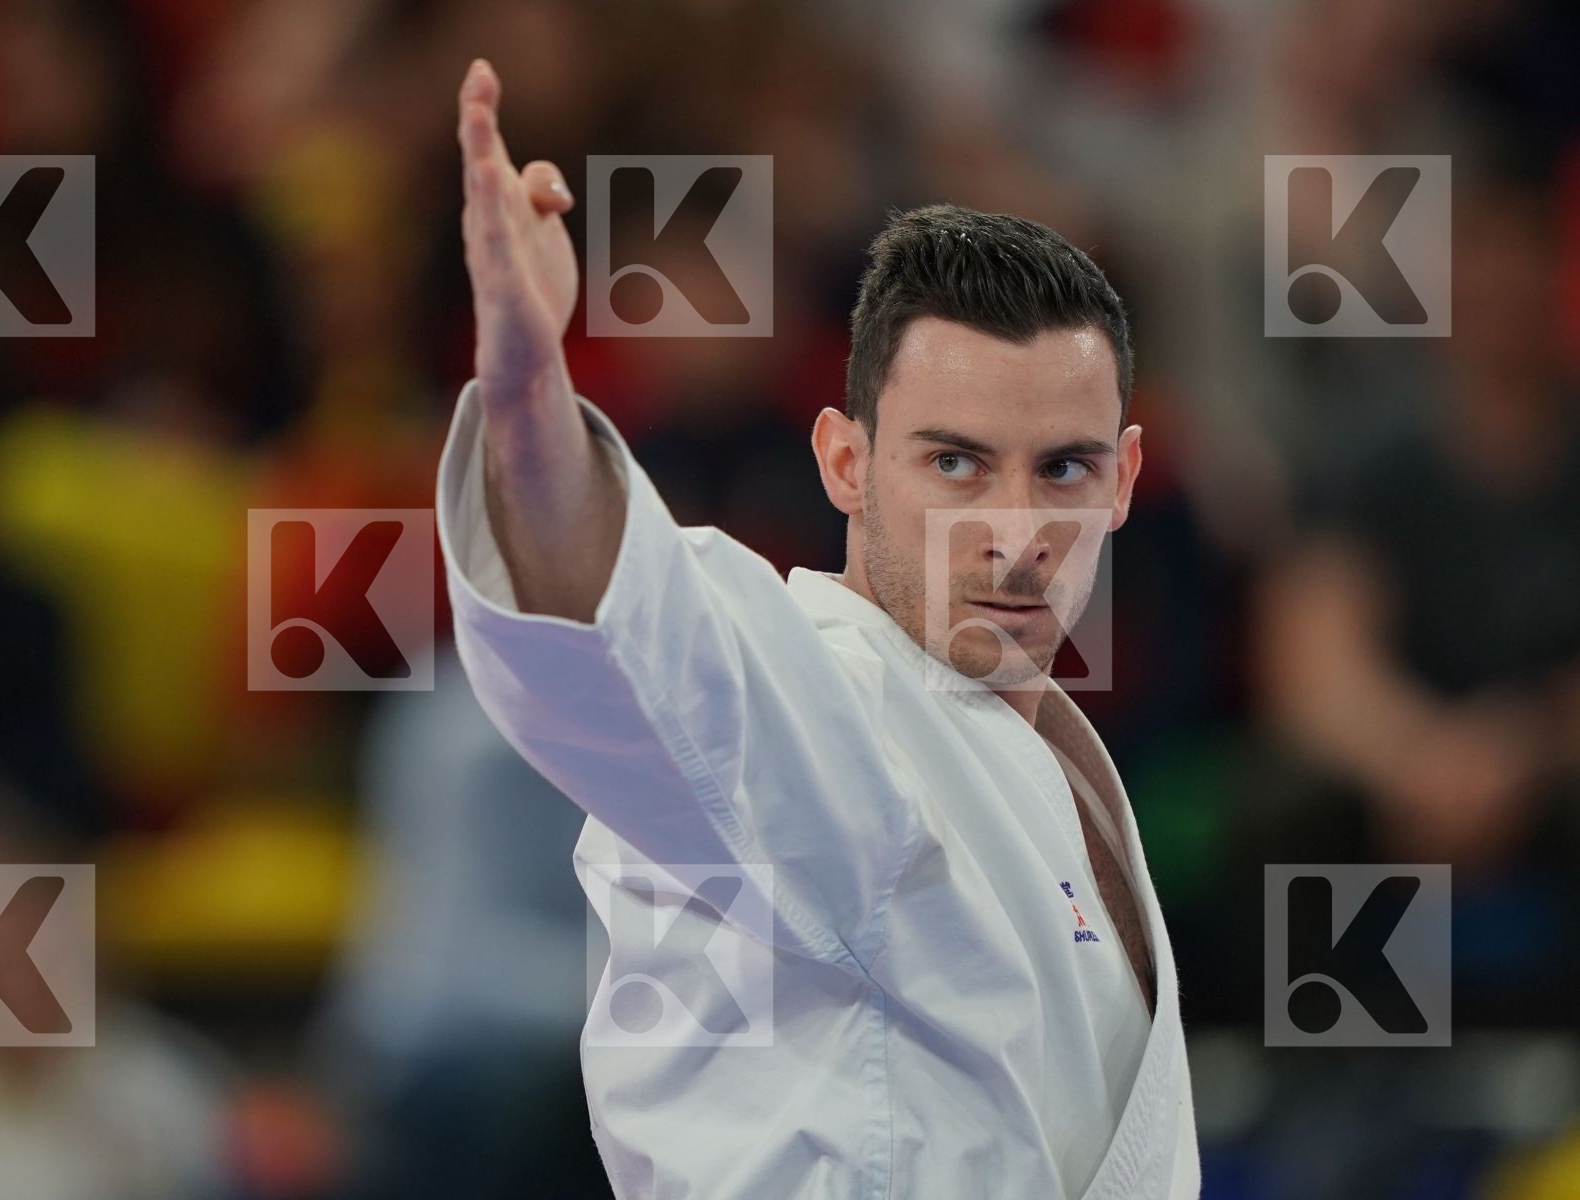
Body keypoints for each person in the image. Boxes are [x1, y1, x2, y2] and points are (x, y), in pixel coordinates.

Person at [438, 56, 1199, 1199]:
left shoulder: (1042, 751)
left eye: (1065, 469)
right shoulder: (831, 699)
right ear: (845, 461)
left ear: (1126, 478)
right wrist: (527, 391)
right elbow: (635, 631)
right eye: (954, 463)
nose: (1016, 532)